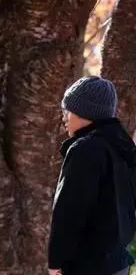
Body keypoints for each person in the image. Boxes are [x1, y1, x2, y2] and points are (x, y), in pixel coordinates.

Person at [48, 76, 136, 275]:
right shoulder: (122, 146)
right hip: (117, 261)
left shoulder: (85, 149)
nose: (64, 118)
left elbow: (69, 211)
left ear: (84, 112)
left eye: (67, 110)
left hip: (87, 264)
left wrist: (55, 262)